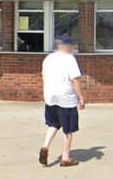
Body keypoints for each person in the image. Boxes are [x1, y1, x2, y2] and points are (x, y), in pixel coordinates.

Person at [39, 35, 86, 168]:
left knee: (53, 123)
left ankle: (45, 146)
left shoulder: (49, 58)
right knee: (67, 128)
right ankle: (65, 158)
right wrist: (81, 97)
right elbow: (74, 80)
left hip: (50, 96)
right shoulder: (69, 59)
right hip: (66, 98)